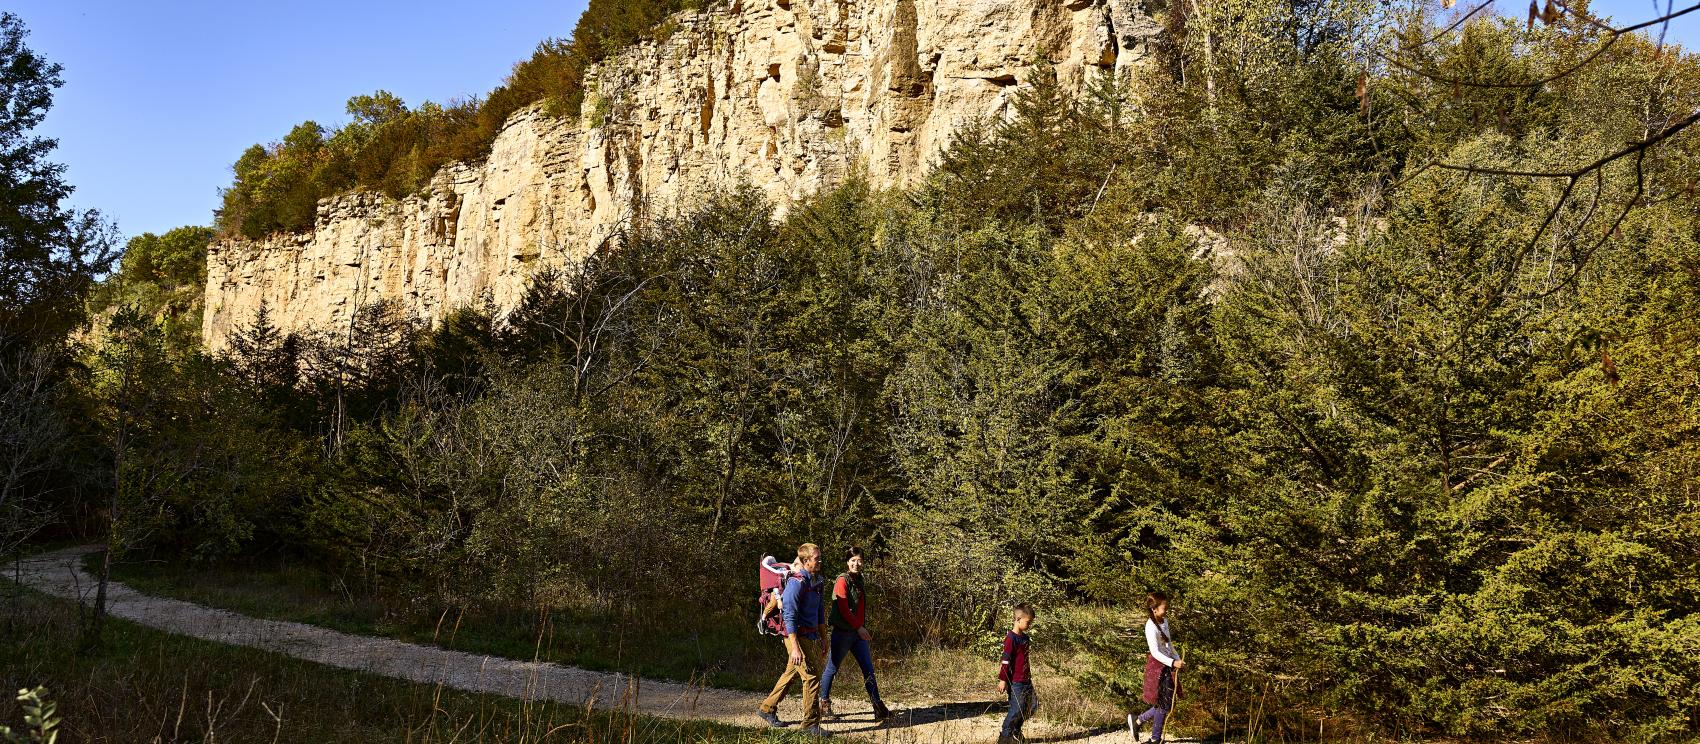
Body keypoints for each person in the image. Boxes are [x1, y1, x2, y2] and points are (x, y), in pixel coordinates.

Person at [757, 543, 828, 736]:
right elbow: (789, 616)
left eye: (819, 557)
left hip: (809, 635)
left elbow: (820, 611)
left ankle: (767, 708)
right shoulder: (797, 583)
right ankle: (810, 724)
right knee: (811, 676)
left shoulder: (817, 582)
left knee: (793, 672)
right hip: (794, 635)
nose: (820, 560)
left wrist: (824, 637)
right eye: (816, 558)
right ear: (805, 561)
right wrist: (795, 647)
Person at [819, 546, 892, 721]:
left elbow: (858, 608)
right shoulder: (842, 581)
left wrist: (860, 628)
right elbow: (843, 609)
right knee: (832, 668)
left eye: (859, 560)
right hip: (843, 633)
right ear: (847, 562)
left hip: (857, 634)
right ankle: (823, 704)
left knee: (868, 670)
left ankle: (878, 707)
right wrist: (859, 627)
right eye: (853, 560)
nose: (856, 564)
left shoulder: (860, 580)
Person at [1130, 592, 1185, 744]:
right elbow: (1155, 652)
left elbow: (1169, 645)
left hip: (1169, 664)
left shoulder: (1164, 620)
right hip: (1158, 667)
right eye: (1164, 607)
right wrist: (1173, 663)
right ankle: (1155, 739)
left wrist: (1178, 659)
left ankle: (1138, 721)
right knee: (1164, 704)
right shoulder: (1150, 627)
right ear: (1154, 609)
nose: (1166, 610)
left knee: (1168, 702)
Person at [998, 603, 1038, 744]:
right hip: (1016, 682)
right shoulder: (1011, 638)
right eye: (1028, 622)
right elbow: (1006, 661)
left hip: (1026, 680)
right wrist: (1003, 679)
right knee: (1017, 708)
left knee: (1032, 706)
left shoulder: (1025, 638)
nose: (1030, 625)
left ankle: (1015, 731)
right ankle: (1005, 736)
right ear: (1018, 619)